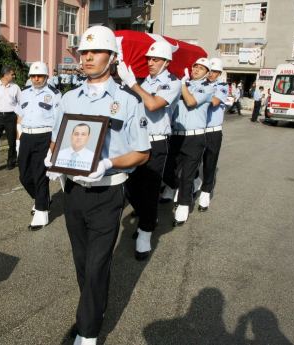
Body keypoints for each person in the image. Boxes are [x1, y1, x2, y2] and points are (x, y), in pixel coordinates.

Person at [44, 25, 150, 345]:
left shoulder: (128, 102)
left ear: (112, 57)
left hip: (107, 192)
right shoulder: (67, 99)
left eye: (96, 52)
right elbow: (56, 142)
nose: (88, 57)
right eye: (84, 52)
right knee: (82, 263)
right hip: (73, 192)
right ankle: (94, 307)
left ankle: (88, 332)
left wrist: (107, 163)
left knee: (96, 266)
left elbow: (142, 153)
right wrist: (53, 161)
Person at [117, 40, 181, 261]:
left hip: (156, 142)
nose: (150, 62)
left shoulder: (173, 82)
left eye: (155, 59)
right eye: (148, 59)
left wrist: (133, 84)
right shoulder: (144, 81)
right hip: (136, 141)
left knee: (150, 190)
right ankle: (148, 218)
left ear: (166, 62)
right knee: (130, 187)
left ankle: (145, 234)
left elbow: (153, 105)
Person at [162, 58, 214, 226]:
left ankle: (183, 207)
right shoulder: (181, 85)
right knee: (168, 169)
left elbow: (191, 102)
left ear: (207, 73)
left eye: (201, 68)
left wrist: (182, 84)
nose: (197, 70)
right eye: (195, 67)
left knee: (187, 175)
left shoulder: (207, 88)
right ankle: (177, 187)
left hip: (194, 137)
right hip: (176, 135)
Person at [15, 61, 61, 230]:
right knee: (24, 176)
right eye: (33, 76)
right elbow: (19, 117)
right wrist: (18, 140)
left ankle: (42, 212)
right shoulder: (24, 93)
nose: (36, 79)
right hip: (26, 136)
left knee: (40, 175)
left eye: (39, 76)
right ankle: (42, 199)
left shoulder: (55, 94)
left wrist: (52, 147)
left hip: (44, 137)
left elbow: (58, 123)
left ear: (46, 77)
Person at [198, 58, 228, 212]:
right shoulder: (200, 85)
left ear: (219, 73)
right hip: (198, 130)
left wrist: (197, 96)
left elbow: (214, 102)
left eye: (215, 72)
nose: (211, 74)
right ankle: (196, 183)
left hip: (213, 131)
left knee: (210, 164)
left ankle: (205, 192)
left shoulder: (222, 87)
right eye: (210, 71)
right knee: (193, 162)